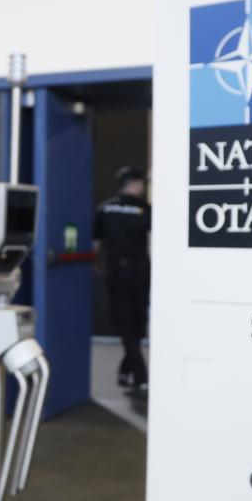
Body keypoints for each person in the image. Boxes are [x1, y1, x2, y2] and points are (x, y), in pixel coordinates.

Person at [93, 166, 151, 394]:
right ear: (136, 184)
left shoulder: (105, 208)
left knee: (125, 322)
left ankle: (126, 370)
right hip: (140, 270)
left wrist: (96, 265)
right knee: (137, 322)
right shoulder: (145, 209)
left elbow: (96, 244)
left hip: (117, 270)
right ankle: (140, 375)